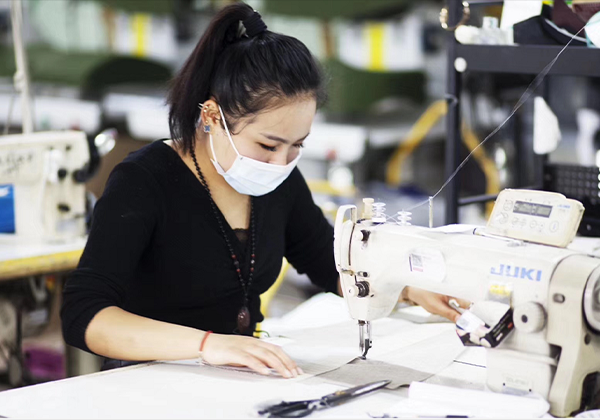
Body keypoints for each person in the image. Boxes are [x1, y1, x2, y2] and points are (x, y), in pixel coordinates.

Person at [61, 2, 465, 379]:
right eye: (268, 145)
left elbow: (330, 263)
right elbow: (84, 315)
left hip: (236, 377)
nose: (281, 162)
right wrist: (208, 345)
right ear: (212, 116)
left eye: (297, 145)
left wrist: (406, 288)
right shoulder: (144, 181)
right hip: (149, 380)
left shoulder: (278, 181)